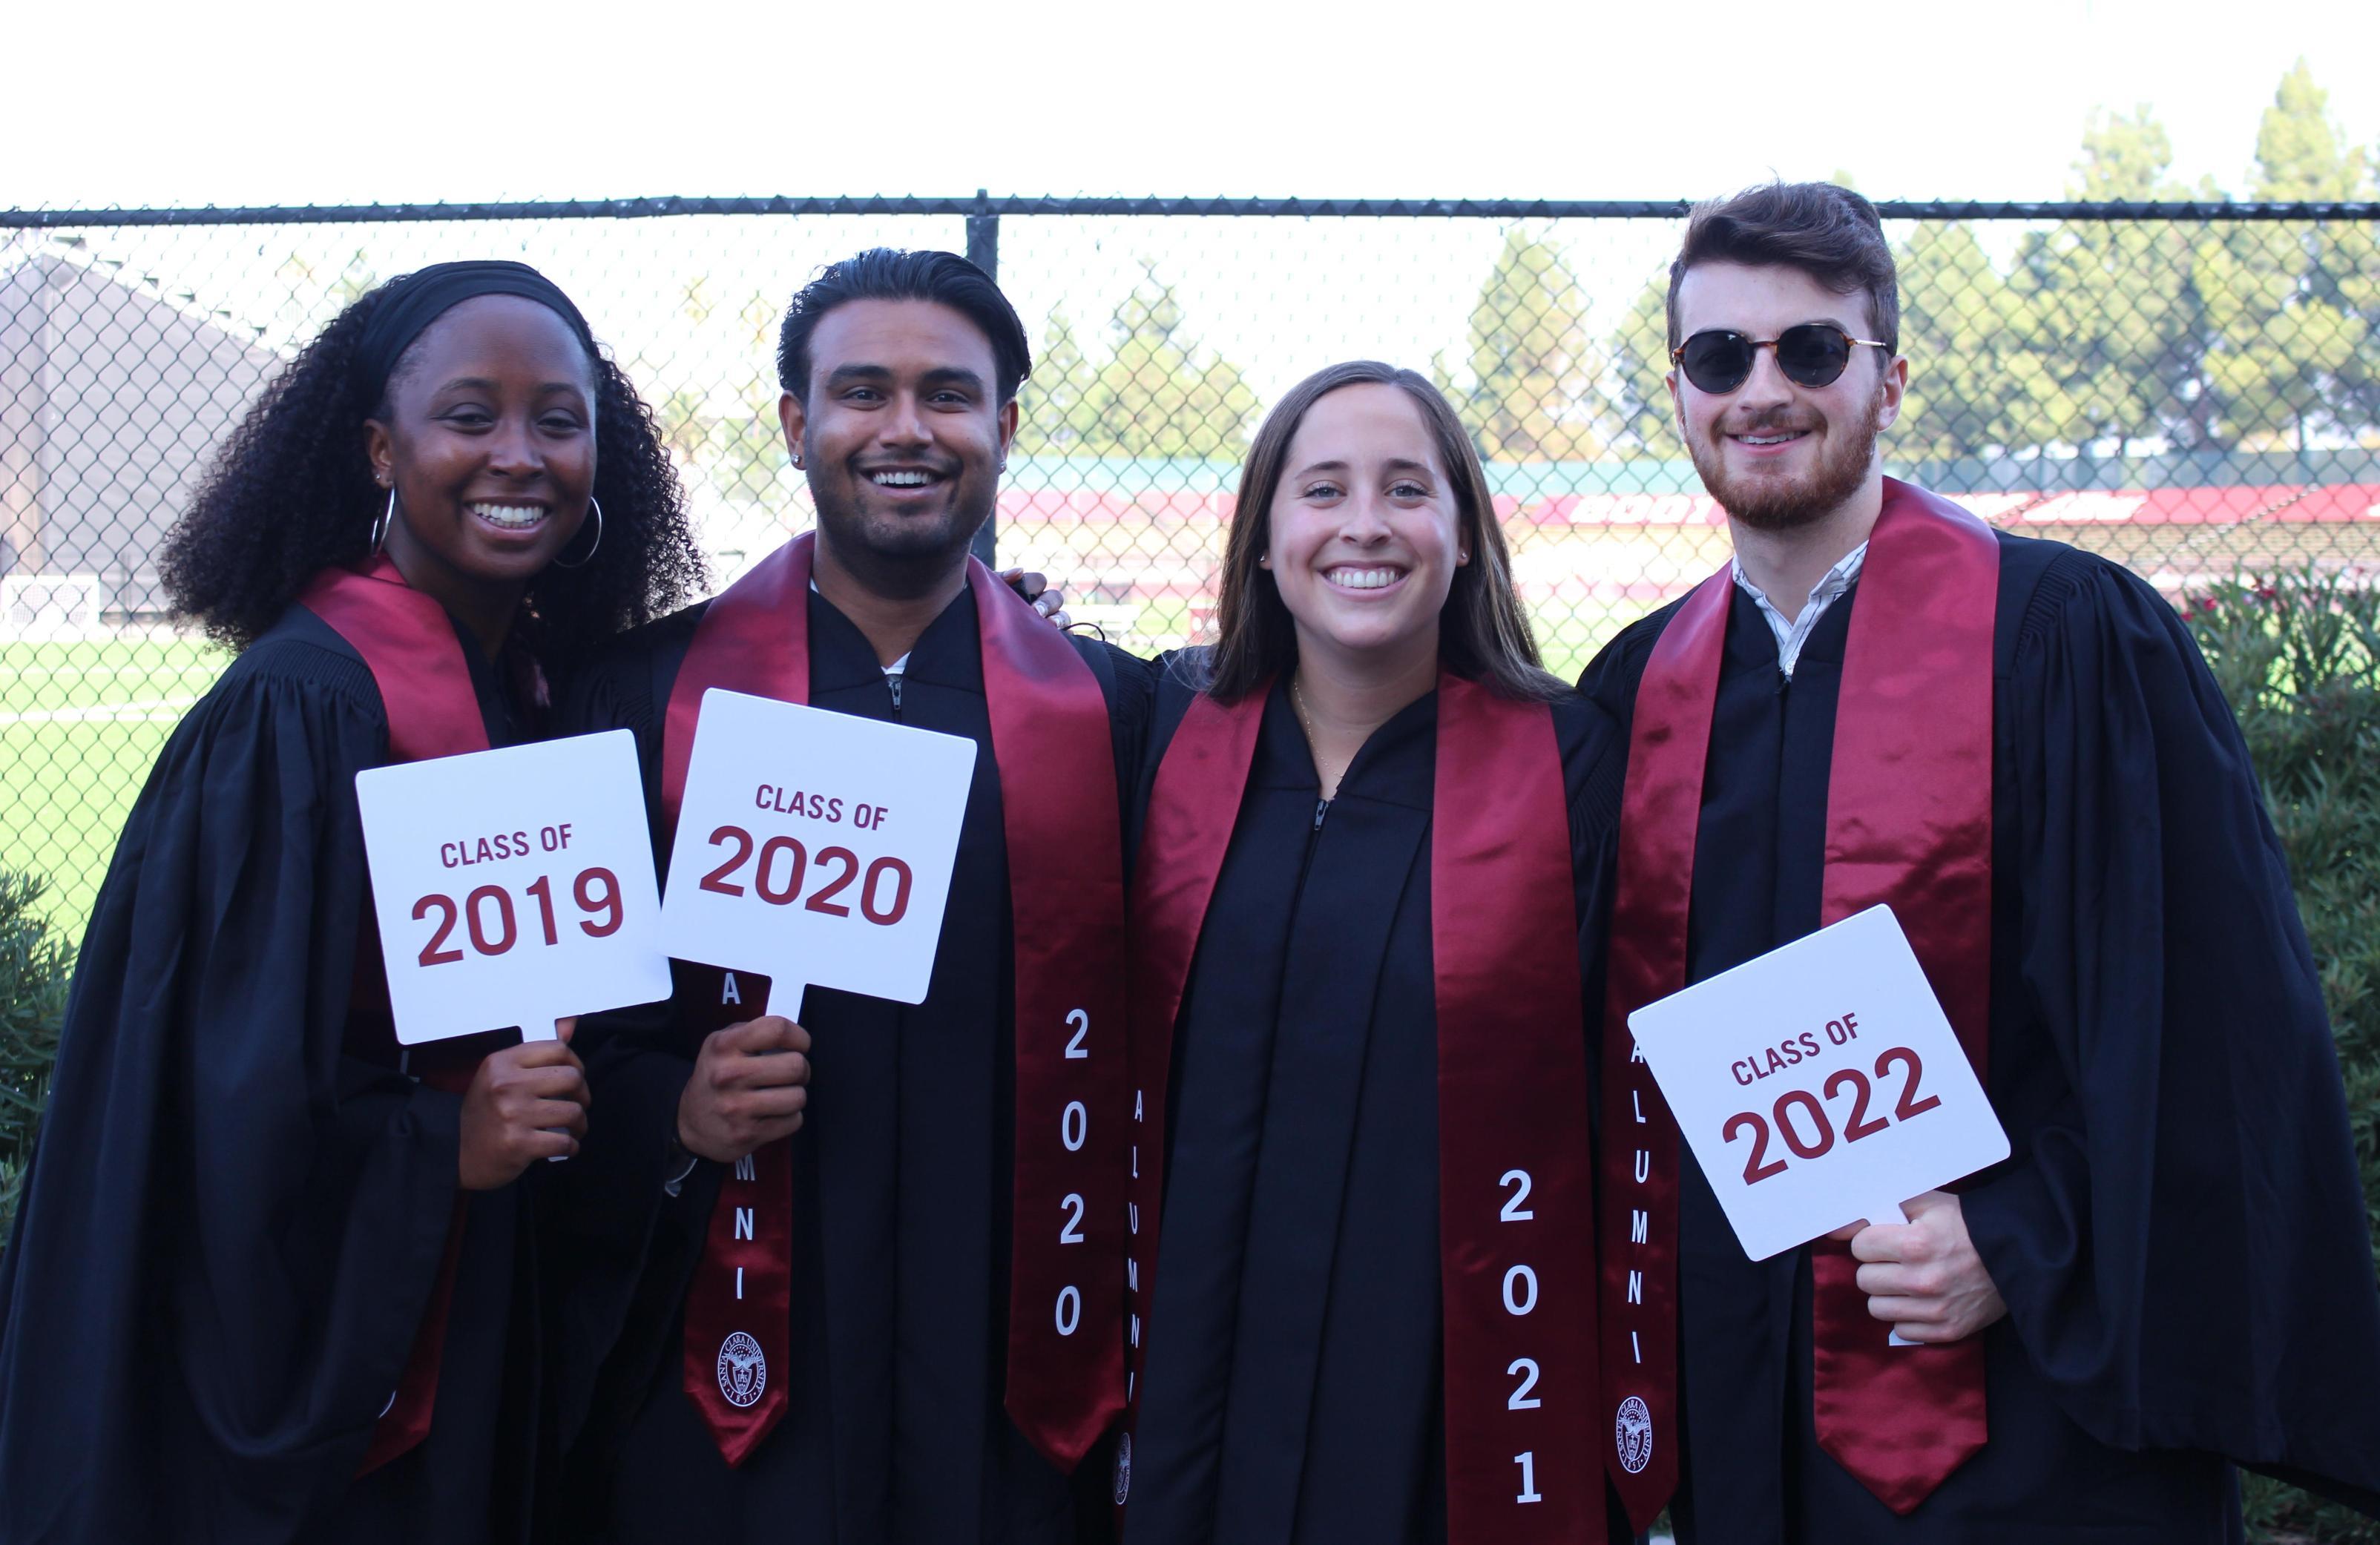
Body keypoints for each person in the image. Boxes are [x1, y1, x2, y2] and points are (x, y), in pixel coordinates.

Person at [1579, 181, 2380, 1544]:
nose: (1762, 389)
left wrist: (2022, 1238)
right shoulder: (1635, 689)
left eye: (1812, 350)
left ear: (1891, 379)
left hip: (2027, 1427)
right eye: (1721, 356)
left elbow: (2207, 1028)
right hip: (1736, 1408)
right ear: (1680, 390)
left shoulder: (2068, 644)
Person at [0, 260, 709, 1544]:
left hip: (483, 1309)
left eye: (560, 420)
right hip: (355, 1369)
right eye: (469, 416)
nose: (520, 455)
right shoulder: (306, 711)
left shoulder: (537, 697)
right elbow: (225, 1108)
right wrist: (443, 1145)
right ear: (382, 449)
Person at [553, 248, 1148, 1544]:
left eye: (948, 395)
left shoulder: (1112, 715)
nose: (905, 429)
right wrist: (672, 1107)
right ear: (796, 425)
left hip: (1009, 1367)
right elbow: (557, 1037)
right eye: (861, 391)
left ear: (1003, 427)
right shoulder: (645, 702)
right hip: (724, 1375)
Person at [1117, 360, 1628, 1545]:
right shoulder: (1158, 737)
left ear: (1462, 536)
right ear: (1263, 536)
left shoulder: (1571, 771)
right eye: (1323, 490)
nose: (1363, 525)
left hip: (1450, 1386)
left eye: (1407, 490)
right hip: (1199, 1370)